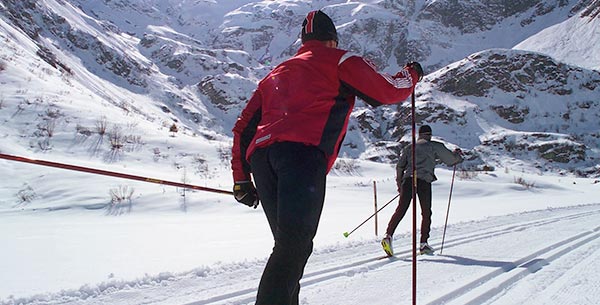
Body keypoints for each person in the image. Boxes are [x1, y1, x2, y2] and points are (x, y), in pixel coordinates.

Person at [231, 10, 423, 305]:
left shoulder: (276, 73)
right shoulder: (340, 60)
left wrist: (241, 179)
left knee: (288, 248)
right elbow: (386, 91)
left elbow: (243, 128)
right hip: (302, 157)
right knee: (293, 246)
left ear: (304, 41)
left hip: (261, 159)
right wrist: (412, 75)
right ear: (332, 40)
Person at [381, 124, 463, 256]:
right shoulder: (434, 145)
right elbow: (451, 160)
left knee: (401, 209)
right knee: (426, 212)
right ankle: (423, 244)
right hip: (423, 181)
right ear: (430, 134)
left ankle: (388, 235)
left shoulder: (409, 147)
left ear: (419, 134)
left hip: (408, 180)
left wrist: (400, 185)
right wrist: (458, 156)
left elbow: (400, 166)